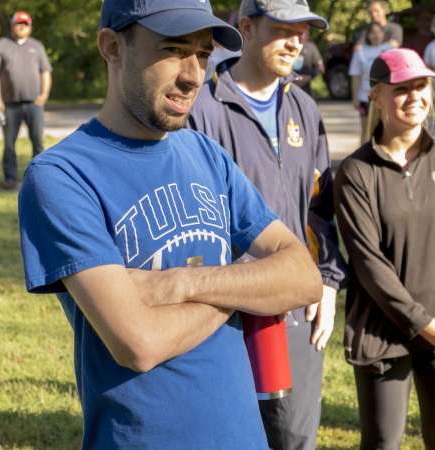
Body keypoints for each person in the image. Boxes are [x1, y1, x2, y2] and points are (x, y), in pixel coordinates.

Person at [18, 1, 323, 449]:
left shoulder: (206, 154)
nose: (193, 75)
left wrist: (179, 284)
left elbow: (304, 276)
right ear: (111, 46)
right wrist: (246, 292)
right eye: (173, 49)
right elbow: (138, 343)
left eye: (202, 54)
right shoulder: (61, 176)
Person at [189, 1, 347, 449]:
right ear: (245, 28)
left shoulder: (305, 108)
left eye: (304, 31)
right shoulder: (204, 107)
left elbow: (319, 210)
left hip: (295, 311)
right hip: (223, 317)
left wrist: (330, 283)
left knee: (294, 437)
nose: (296, 41)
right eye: (282, 29)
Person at [334, 48, 435, 450]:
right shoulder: (357, 172)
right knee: (383, 443)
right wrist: (424, 324)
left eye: (421, 86)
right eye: (401, 89)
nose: (415, 97)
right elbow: (368, 262)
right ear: (375, 96)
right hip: (382, 331)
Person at [0, 11, 52, 190]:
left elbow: (45, 71)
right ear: (12, 25)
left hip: (34, 104)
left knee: (38, 141)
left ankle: (39, 178)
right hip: (9, 105)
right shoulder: (1, 45)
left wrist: (44, 94)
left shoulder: (37, 46)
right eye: (18, 23)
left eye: (25, 24)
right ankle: (10, 179)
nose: (22, 26)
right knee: (9, 143)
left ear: (30, 27)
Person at [349, 22, 391, 144]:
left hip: (385, 97)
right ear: (368, 36)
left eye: (378, 32)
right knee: (366, 129)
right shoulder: (360, 51)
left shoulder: (389, 50)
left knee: (383, 129)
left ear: (383, 34)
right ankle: (362, 159)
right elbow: (356, 75)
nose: (376, 35)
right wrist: (355, 97)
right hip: (365, 97)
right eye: (372, 33)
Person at [293, 30, 325, 97]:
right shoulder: (290, 45)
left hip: (306, 86)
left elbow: (320, 67)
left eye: (304, 33)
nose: (301, 35)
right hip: (289, 84)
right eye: (299, 32)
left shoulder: (311, 47)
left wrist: (309, 77)